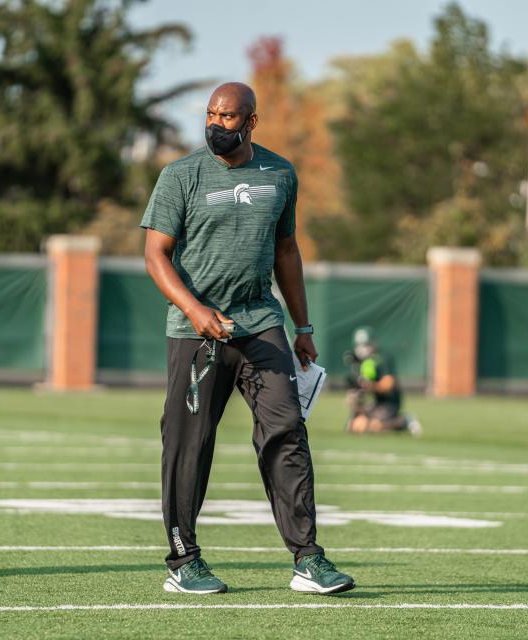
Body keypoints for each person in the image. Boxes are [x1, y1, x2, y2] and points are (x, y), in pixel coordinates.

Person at [140, 82, 354, 595]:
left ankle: (308, 559)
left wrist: (302, 328)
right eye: (211, 114)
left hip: (261, 322)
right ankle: (184, 559)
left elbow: (287, 252)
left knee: (287, 432)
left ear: (251, 122)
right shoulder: (180, 176)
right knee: (188, 445)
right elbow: (155, 256)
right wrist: (195, 310)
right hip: (197, 331)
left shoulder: (280, 173)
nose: (216, 124)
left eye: (229, 116)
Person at [343, 326, 421, 436]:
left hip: (389, 403)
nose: (361, 349)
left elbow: (388, 384)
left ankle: (402, 421)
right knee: (353, 425)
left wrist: (371, 386)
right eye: (358, 345)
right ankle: (377, 423)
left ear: (373, 343)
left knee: (371, 426)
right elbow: (356, 389)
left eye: (365, 345)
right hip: (375, 403)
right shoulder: (358, 362)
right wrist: (355, 399)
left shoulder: (383, 358)